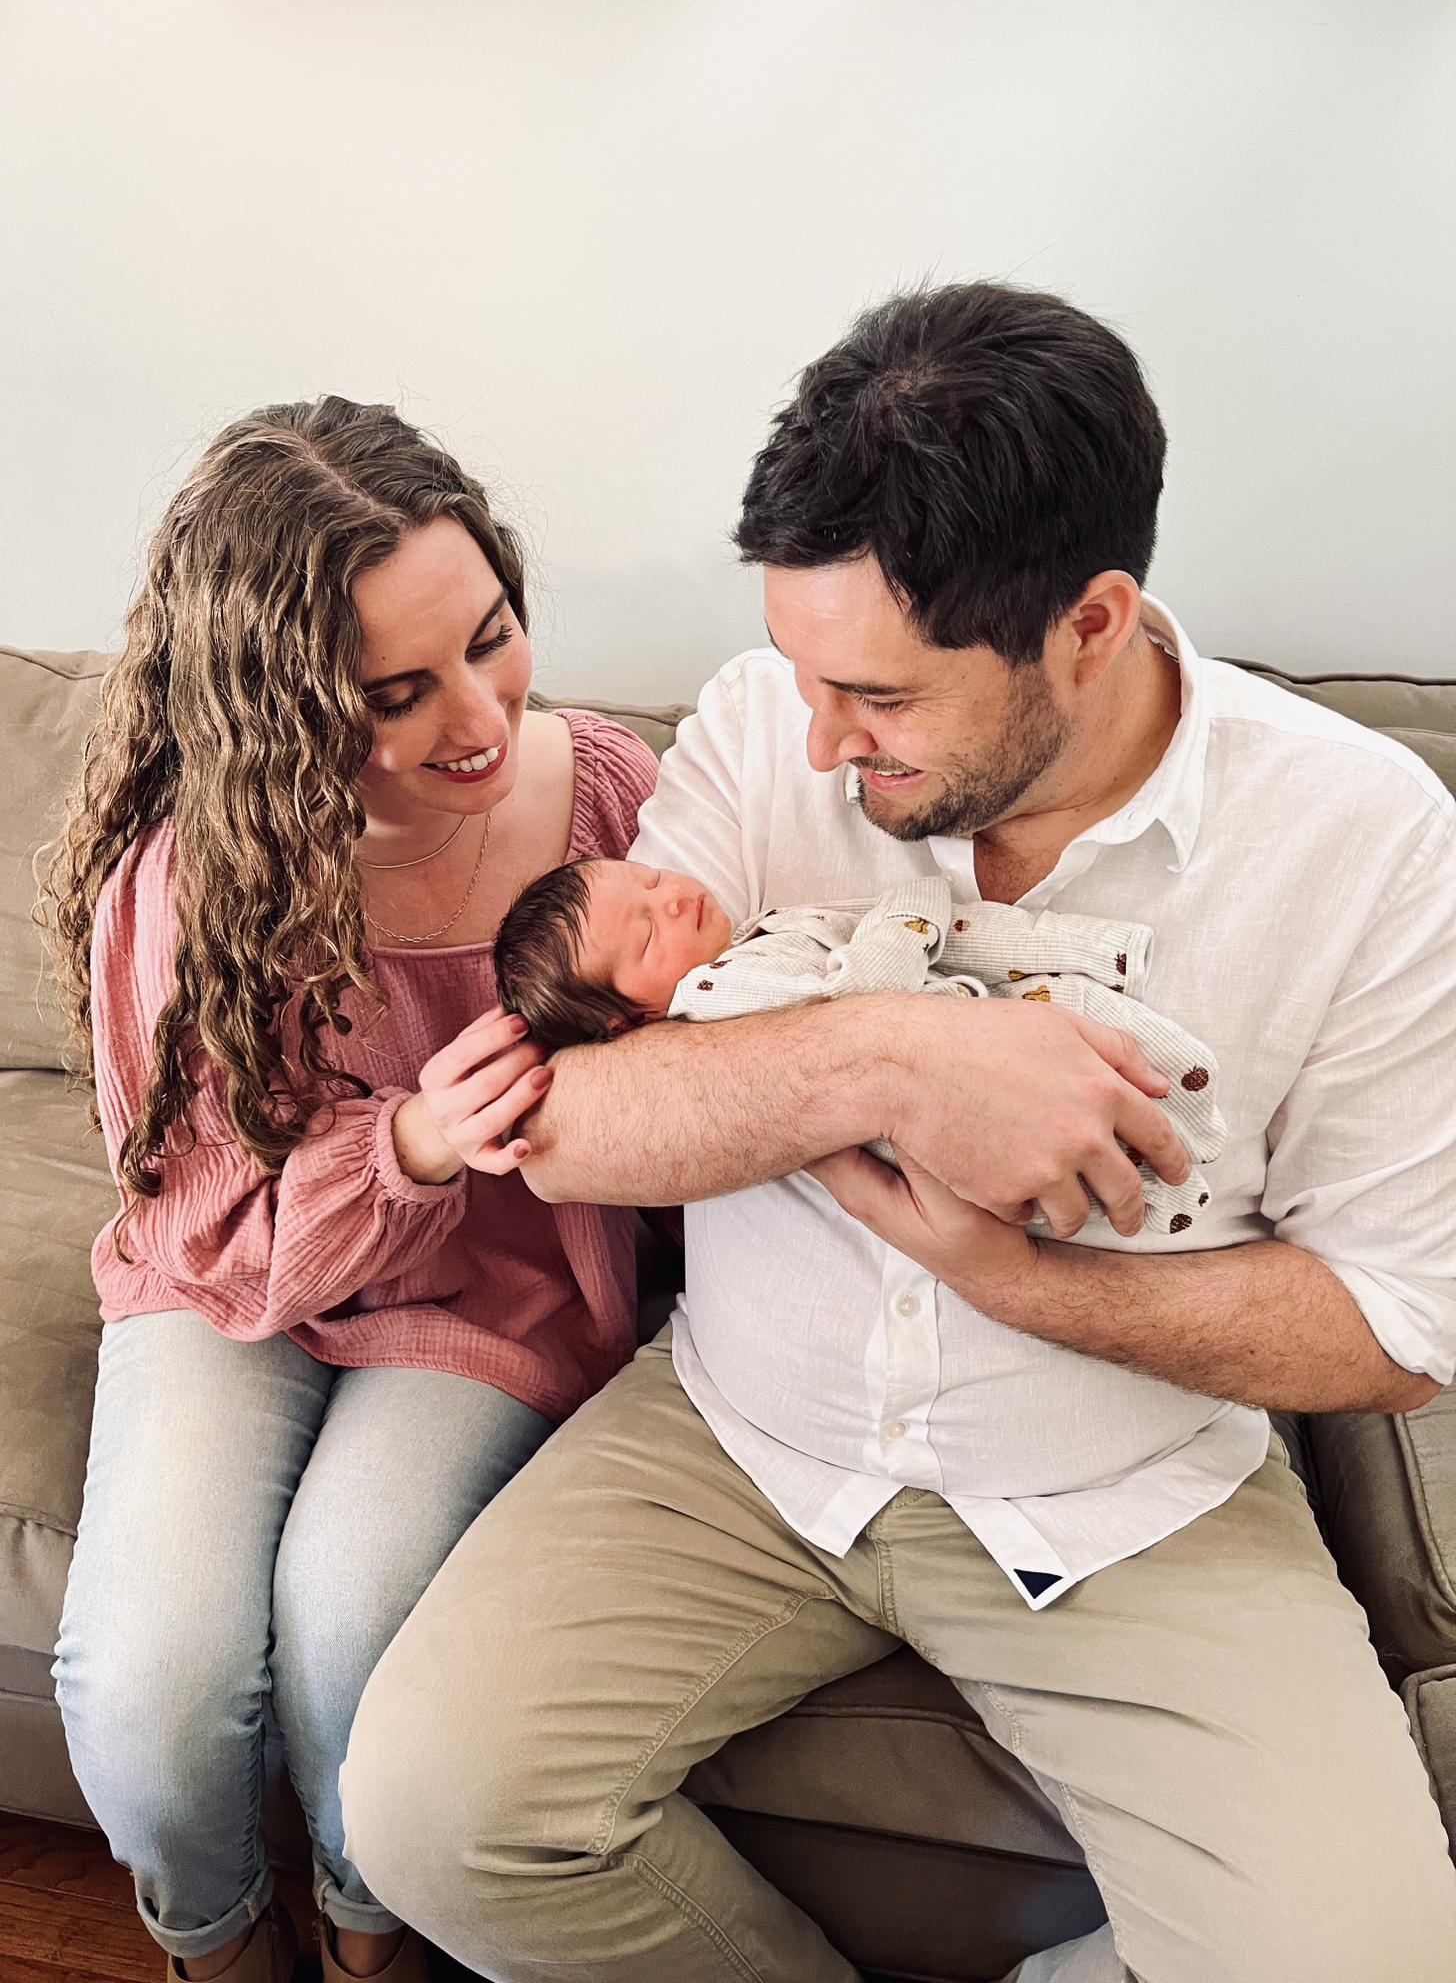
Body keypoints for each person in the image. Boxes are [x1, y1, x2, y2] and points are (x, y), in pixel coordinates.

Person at [341, 284, 1456, 1982]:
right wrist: (892, 1058)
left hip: (1123, 1486)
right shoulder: (755, 737)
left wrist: (1016, 1283)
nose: (814, 742)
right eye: (797, 673)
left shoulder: (1363, 841)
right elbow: (564, 1126)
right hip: (739, 1442)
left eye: (876, 696)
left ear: (1088, 621)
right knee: (427, 1816)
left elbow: (1395, 1330)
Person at [40, 398, 657, 1983]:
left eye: (493, 637)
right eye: (396, 693)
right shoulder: (199, 868)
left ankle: (370, 1939)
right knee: (153, 1688)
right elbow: (197, 1216)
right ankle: (220, 1948)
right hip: (234, 1283)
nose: (477, 715)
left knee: (346, 1627)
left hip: (493, 1293)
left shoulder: (603, 797)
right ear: (280, 716)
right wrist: (404, 1150)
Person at [493, 858, 1224, 1235]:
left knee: (1100, 1069)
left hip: (960, 1033)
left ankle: (1178, 1144)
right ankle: (1175, 1166)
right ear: (630, 1020)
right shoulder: (718, 996)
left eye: (650, 881)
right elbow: (859, 1004)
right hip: (934, 1104)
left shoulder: (753, 936)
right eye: (648, 933)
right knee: (1087, 1107)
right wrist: (909, 912)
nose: (674, 899)